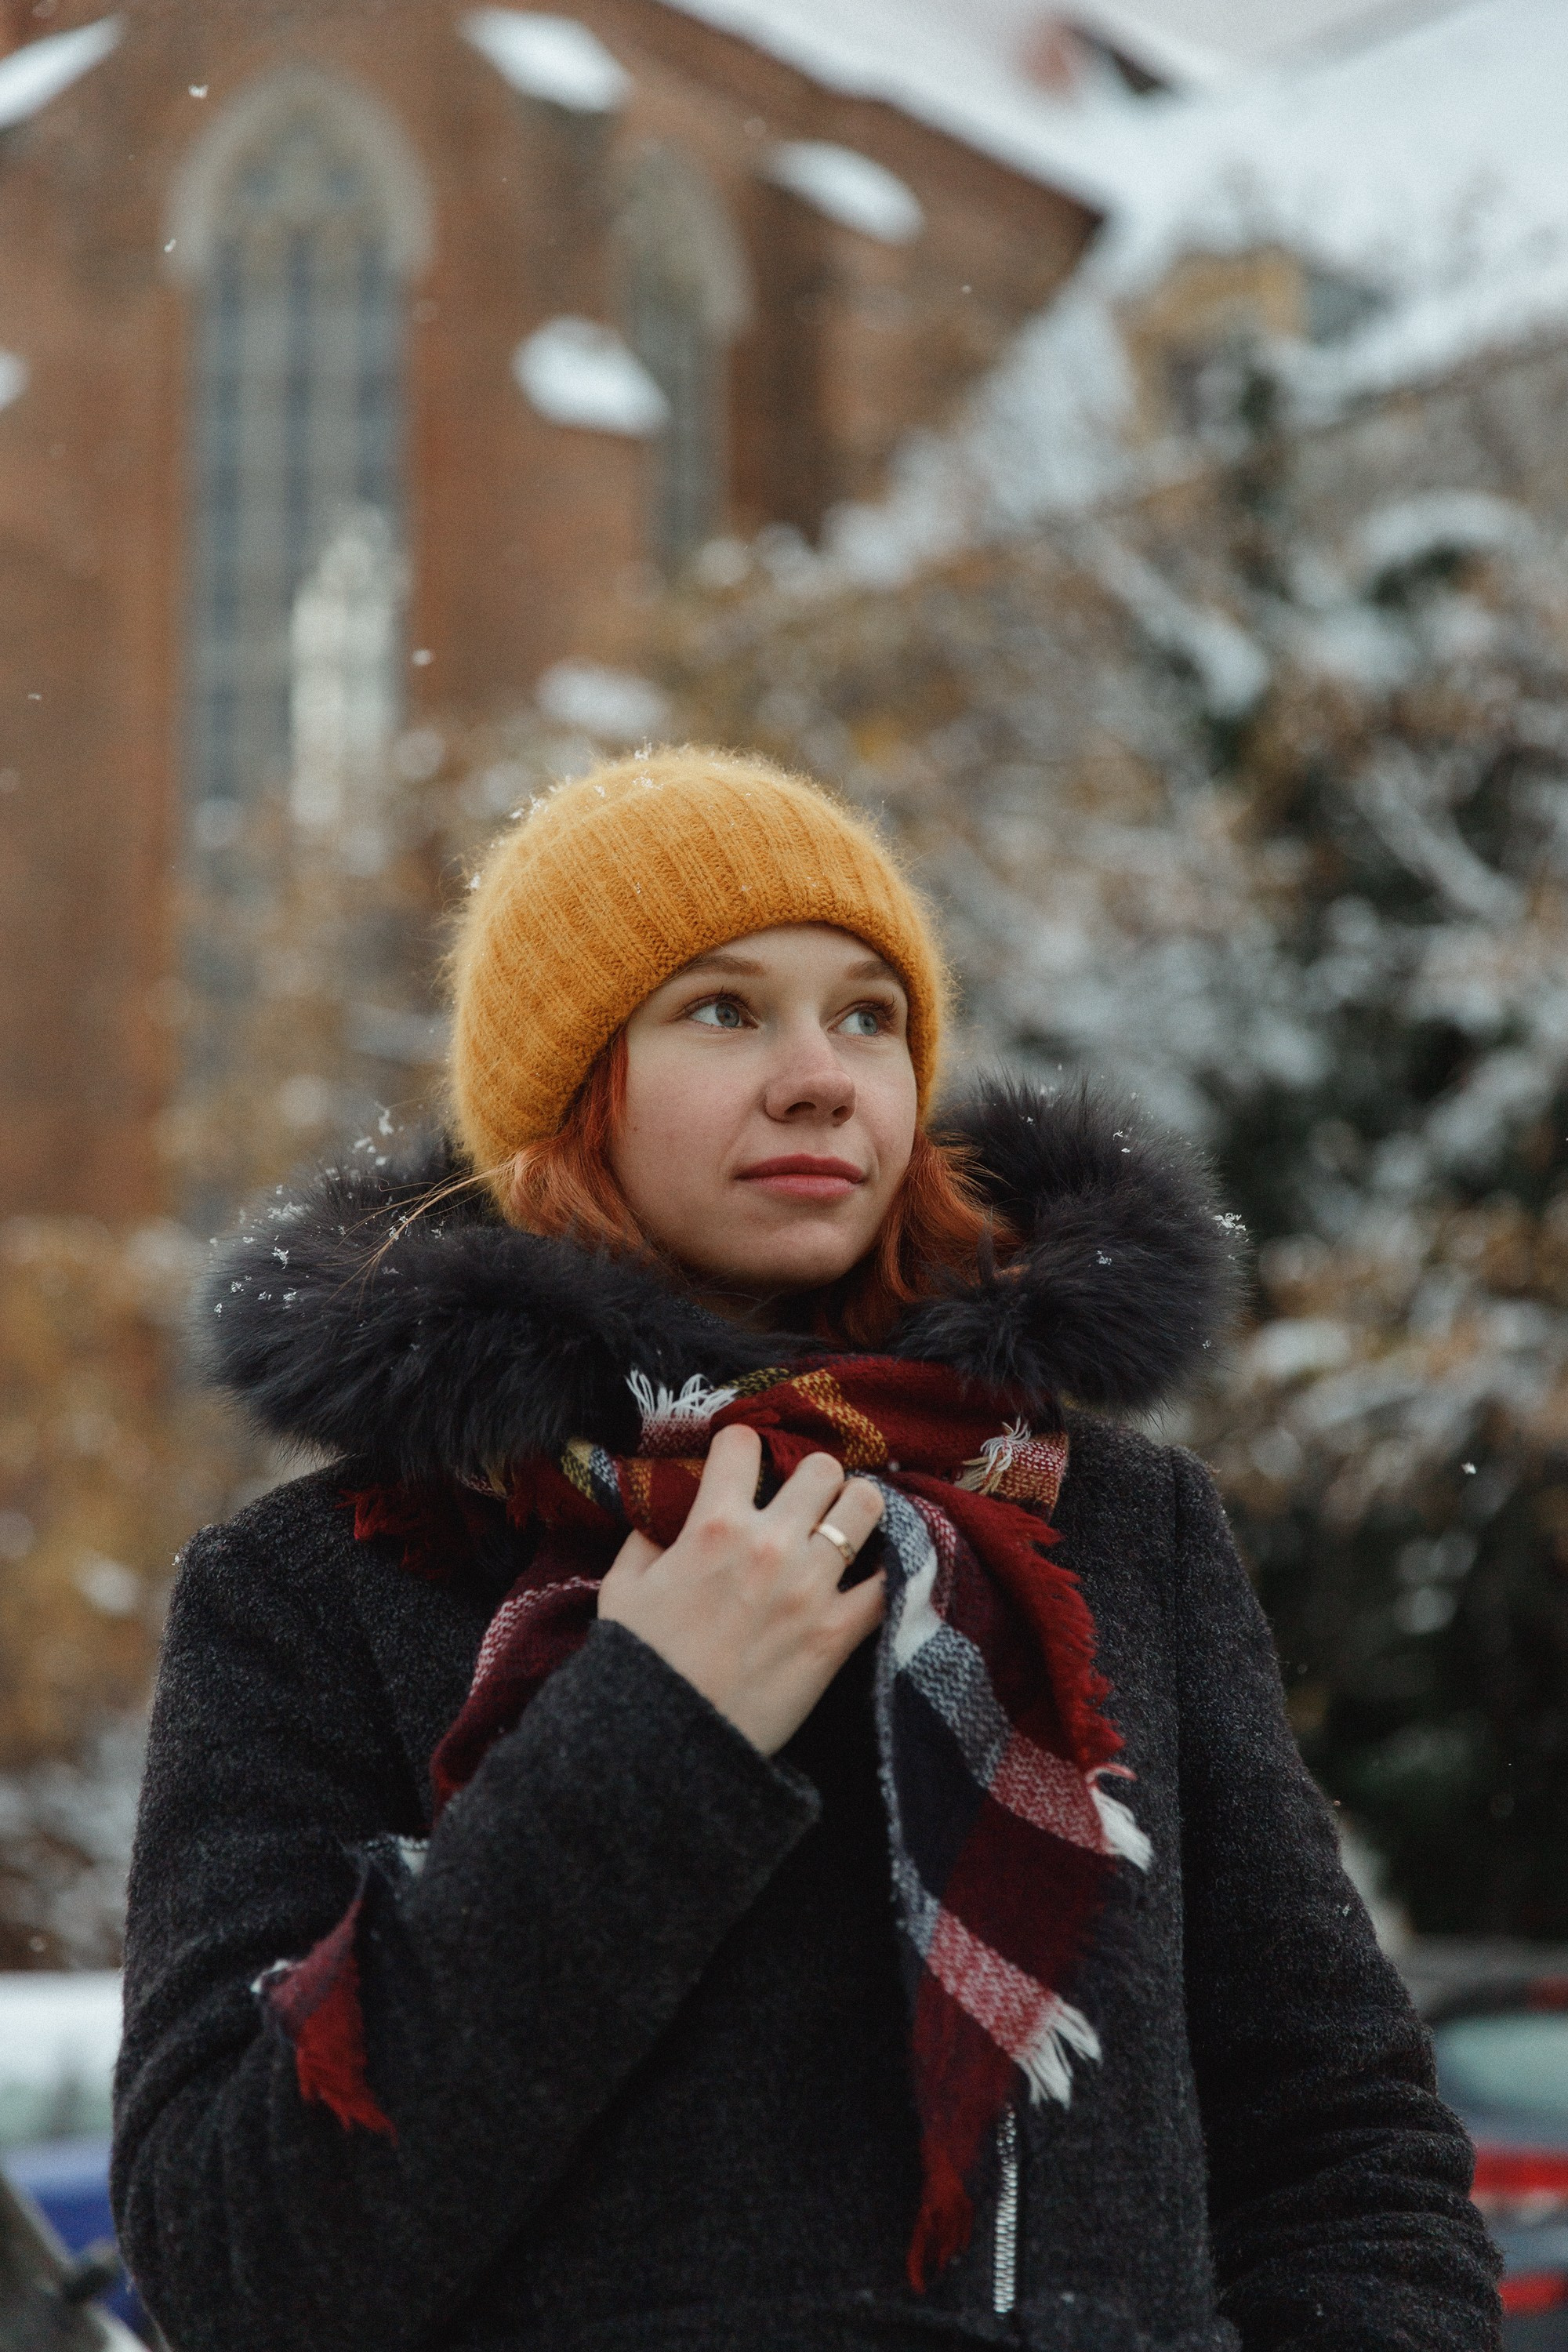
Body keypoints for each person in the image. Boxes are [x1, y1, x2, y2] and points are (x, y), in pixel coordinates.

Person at [111, 748, 1500, 2352]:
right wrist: (650, 1731)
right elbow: (237, 2263)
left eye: (869, 1015)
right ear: (572, 1093)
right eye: (722, 1009)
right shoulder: (332, 1577)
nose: (820, 1075)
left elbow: (1342, 2144)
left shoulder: (1110, 1526)